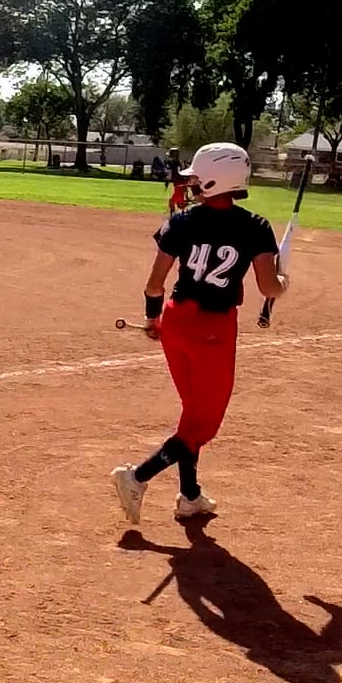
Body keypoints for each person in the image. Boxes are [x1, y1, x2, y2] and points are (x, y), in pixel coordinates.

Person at [111, 143, 289, 523]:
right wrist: (283, 282)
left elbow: (154, 285)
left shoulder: (182, 221)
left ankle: (190, 495)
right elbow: (268, 287)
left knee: (192, 414)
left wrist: (153, 319)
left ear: (213, 180)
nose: (191, 183)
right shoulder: (255, 226)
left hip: (175, 321)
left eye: (196, 177)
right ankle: (137, 477)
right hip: (213, 330)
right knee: (203, 424)